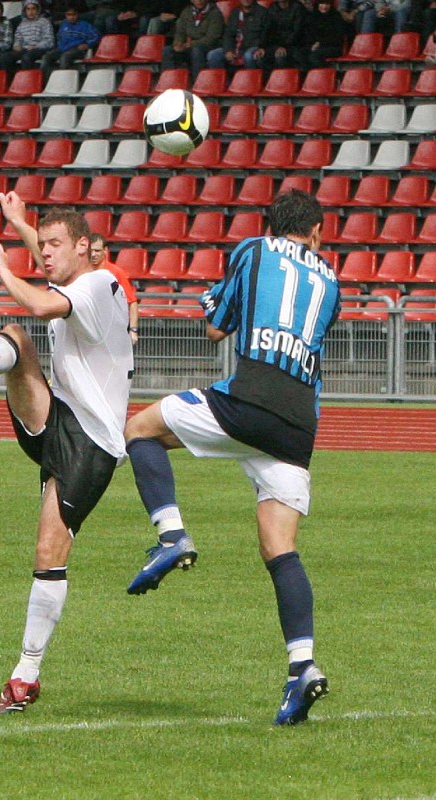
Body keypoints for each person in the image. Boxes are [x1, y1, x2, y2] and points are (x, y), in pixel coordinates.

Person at [124, 189, 341, 726]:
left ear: (273, 224)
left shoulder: (252, 249)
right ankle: (302, 667)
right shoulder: (332, 280)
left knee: (140, 430)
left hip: (249, 401)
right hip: (298, 425)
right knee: (279, 549)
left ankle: (172, 535)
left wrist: (211, 299)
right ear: (315, 232)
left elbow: (217, 325)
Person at [0, 192, 134, 714]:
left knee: (48, 555)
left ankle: (26, 674)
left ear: (87, 248)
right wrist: (22, 224)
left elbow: (42, 300)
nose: (45, 253)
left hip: (91, 443)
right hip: (58, 419)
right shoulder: (79, 272)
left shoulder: (96, 285)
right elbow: (52, 265)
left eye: (55, 245)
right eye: (41, 245)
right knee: (17, 340)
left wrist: (4, 269)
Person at [89, 233, 139, 346]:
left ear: (105, 250)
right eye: (90, 250)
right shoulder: (81, 271)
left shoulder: (116, 272)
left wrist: (133, 330)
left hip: (113, 330)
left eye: (97, 251)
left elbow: (132, 302)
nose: (93, 254)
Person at [161, 0, 225, 81]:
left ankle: (198, 82)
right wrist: (178, 43)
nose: (199, 1)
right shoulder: (186, 12)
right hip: (188, 46)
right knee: (168, 50)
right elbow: (180, 32)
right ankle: (168, 82)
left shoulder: (215, 13)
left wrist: (189, 44)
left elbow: (212, 37)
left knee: (197, 50)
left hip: (209, 46)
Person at [40, 5, 100, 81]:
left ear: (77, 14)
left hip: (77, 49)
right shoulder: (63, 25)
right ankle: (44, 83)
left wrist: (87, 45)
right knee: (46, 57)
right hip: (62, 48)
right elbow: (59, 37)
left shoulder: (85, 25)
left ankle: (63, 82)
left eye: (74, 14)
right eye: (69, 15)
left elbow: (96, 36)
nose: (72, 17)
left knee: (65, 57)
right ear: (66, 15)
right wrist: (60, 45)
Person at [207, 0, 271, 71]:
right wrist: (228, 50)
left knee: (248, 56)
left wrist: (261, 47)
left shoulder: (263, 13)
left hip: (254, 47)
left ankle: (250, 80)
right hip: (235, 48)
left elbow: (266, 35)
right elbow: (228, 35)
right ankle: (222, 81)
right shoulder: (235, 13)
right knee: (213, 55)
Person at [0, 0, 55, 72]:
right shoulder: (22, 24)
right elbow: (18, 38)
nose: (31, 12)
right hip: (24, 49)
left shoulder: (45, 22)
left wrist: (36, 46)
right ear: (25, 11)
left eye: (33, 8)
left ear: (38, 10)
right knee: (5, 57)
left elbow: (50, 41)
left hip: (39, 49)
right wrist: (17, 45)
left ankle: (27, 81)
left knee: (26, 57)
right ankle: (9, 80)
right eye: (28, 9)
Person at [263, 0, 307, 73]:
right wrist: (262, 47)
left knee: (280, 57)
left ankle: (285, 80)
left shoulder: (297, 7)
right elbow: (268, 30)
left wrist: (284, 45)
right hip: (276, 45)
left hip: (294, 44)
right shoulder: (272, 8)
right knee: (260, 58)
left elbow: (297, 31)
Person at [302, 0, 344, 70]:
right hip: (315, 46)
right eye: (322, 3)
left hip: (334, 47)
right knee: (300, 54)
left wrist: (320, 43)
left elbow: (337, 38)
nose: (324, 6)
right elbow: (309, 35)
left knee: (314, 56)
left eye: (327, 4)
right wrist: (312, 45)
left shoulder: (336, 16)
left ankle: (323, 77)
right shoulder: (312, 17)